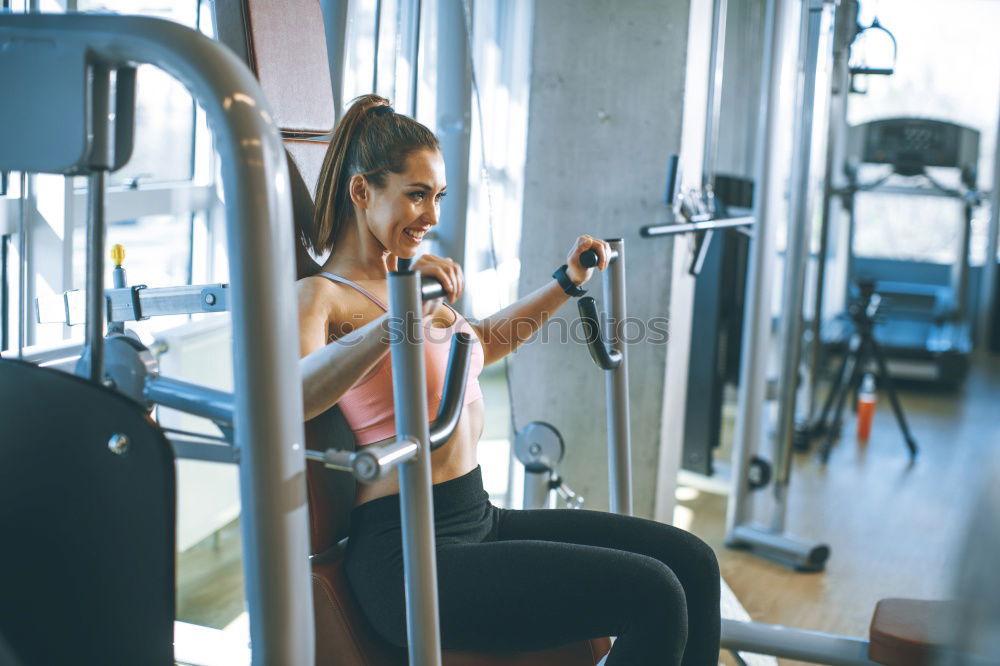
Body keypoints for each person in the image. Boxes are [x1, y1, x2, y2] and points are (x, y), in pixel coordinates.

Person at [296, 93, 721, 665]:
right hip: (406, 553)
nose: (433, 216)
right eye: (417, 195)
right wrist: (400, 320)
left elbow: (485, 342)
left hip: (477, 518)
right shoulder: (323, 295)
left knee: (692, 562)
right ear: (362, 191)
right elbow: (293, 396)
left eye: (438, 196)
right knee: (655, 595)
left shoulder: (410, 282)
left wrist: (566, 283)